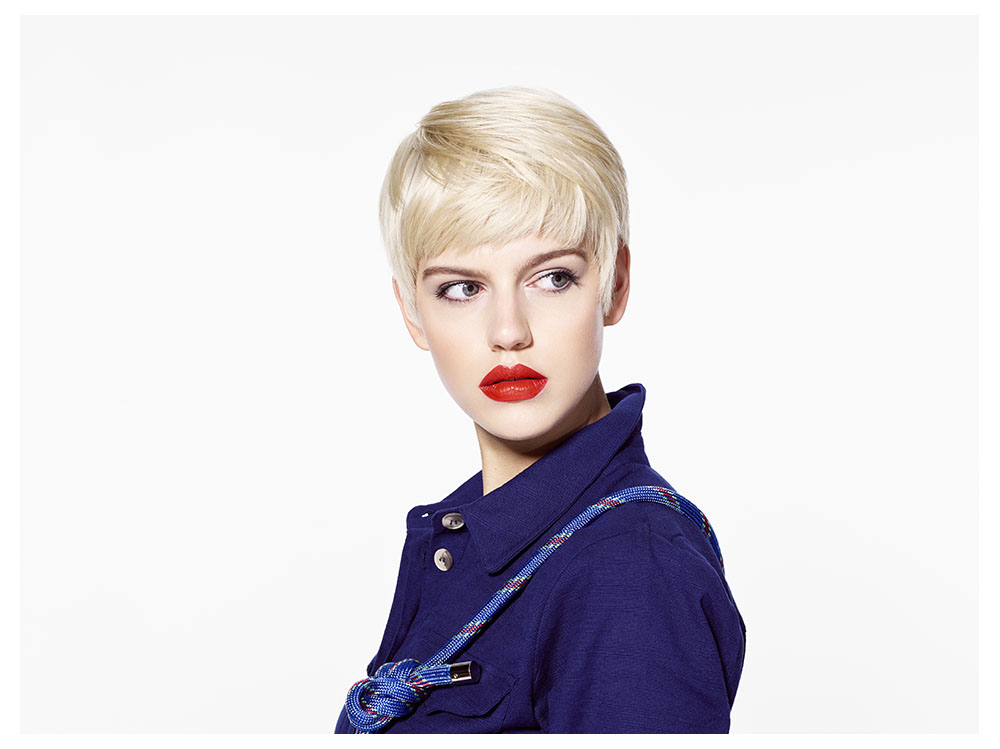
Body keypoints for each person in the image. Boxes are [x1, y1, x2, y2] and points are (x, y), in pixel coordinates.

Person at [334, 86, 746, 734]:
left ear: (615, 284)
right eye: (461, 288)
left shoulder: (630, 568)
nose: (508, 330)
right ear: (412, 312)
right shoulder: (466, 537)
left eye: (552, 278)